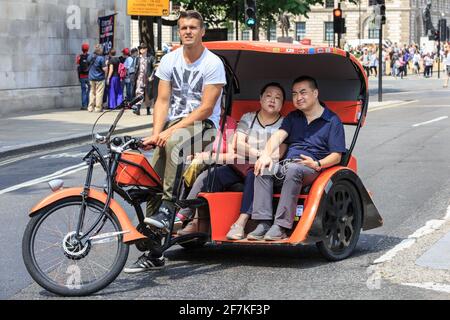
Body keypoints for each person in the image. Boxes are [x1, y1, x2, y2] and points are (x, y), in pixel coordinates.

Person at [124, 10, 226, 273]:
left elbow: (205, 108)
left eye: (193, 27)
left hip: (205, 127)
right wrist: (157, 134)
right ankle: (155, 251)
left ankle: (170, 207)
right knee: (153, 176)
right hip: (173, 126)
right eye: (183, 28)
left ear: (202, 31)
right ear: (179, 32)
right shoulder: (169, 59)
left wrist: (169, 134)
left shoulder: (212, 63)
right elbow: (161, 101)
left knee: (175, 143)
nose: (188, 31)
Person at [176, 83, 286, 239]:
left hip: (263, 169)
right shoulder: (248, 118)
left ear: (282, 104)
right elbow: (239, 145)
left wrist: (256, 153)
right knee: (209, 176)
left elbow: (278, 153)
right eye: (268, 96)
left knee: (253, 175)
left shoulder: (284, 123)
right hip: (239, 165)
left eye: (278, 98)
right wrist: (262, 152)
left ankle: (240, 224)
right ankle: (184, 216)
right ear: (260, 99)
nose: (272, 100)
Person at [247, 75, 346, 241]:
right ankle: (263, 222)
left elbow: (337, 156)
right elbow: (278, 136)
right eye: (294, 94)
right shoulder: (293, 117)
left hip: (313, 167)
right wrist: (265, 155)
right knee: (263, 167)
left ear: (315, 93)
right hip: (286, 164)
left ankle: (281, 226)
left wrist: (317, 163)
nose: (298, 98)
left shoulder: (332, 120)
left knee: (294, 169)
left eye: (303, 92)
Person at [132, 43, 156, 115]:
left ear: (146, 49)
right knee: (139, 92)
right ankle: (138, 109)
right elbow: (135, 68)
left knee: (148, 94)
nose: (141, 50)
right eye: (140, 48)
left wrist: (152, 76)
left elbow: (155, 68)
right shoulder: (137, 58)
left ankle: (148, 109)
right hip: (139, 77)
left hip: (148, 78)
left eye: (143, 48)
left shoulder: (150, 58)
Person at [87, 44, 108, 112]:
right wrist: (106, 65)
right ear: (100, 50)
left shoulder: (90, 56)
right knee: (99, 93)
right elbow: (104, 69)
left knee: (92, 92)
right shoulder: (101, 58)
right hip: (99, 78)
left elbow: (87, 63)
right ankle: (98, 108)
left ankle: (90, 107)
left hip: (91, 77)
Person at [76, 43, 91, 110]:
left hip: (82, 76)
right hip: (88, 76)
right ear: (88, 49)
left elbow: (77, 63)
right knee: (89, 90)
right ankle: (88, 104)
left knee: (83, 91)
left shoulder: (79, 56)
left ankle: (84, 105)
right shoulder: (90, 56)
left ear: (82, 49)